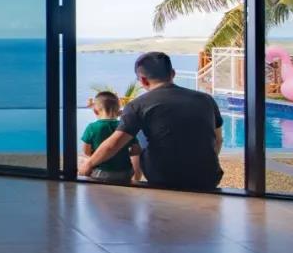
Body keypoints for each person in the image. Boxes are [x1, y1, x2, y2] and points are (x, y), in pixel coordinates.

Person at [79, 52, 224, 190]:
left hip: (165, 179)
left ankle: (135, 176)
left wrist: (89, 164)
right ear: (173, 74)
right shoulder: (206, 100)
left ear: (143, 80)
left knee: (137, 131)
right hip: (208, 178)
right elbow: (218, 140)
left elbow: (115, 143)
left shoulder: (138, 105)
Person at [81, 91, 141, 184]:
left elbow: (86, 151)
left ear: (95, 111)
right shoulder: (125, 126)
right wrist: (121, 153)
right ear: (119, 111)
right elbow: (136, 150)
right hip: (125, 172)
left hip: (101, 172)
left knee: (83, 160)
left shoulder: (92, 127)